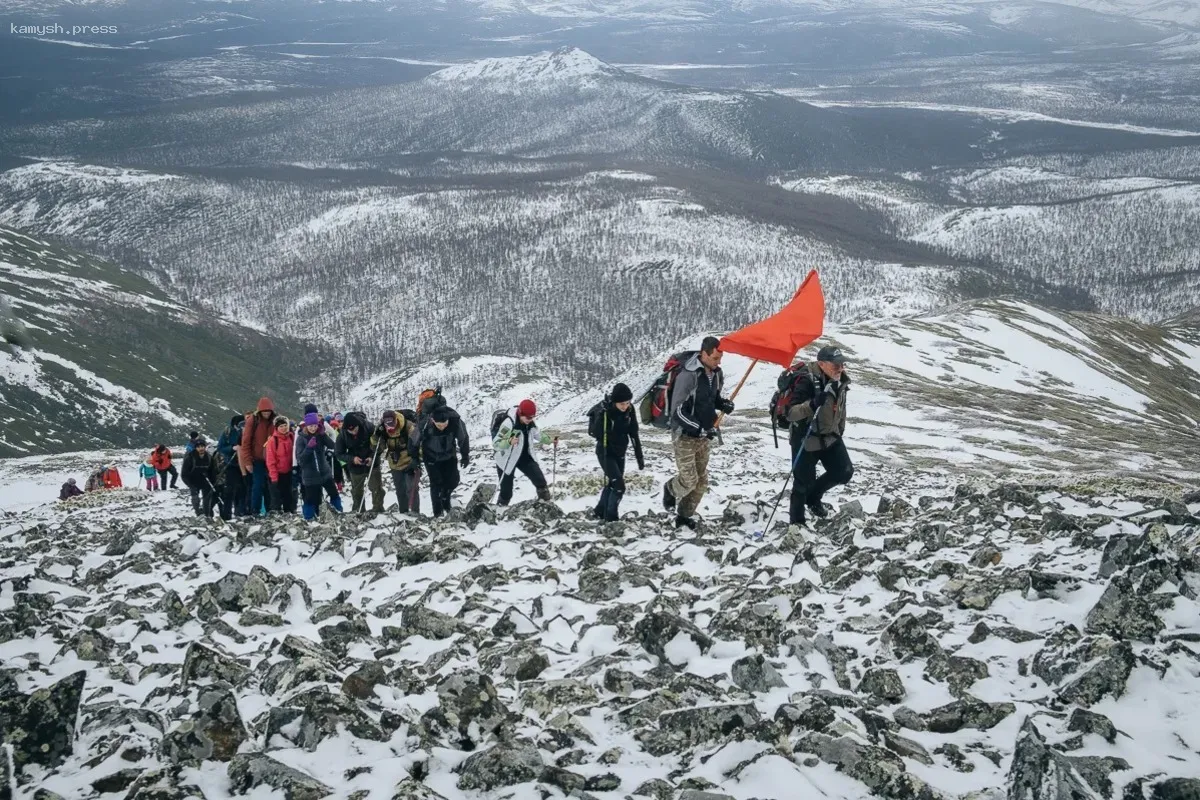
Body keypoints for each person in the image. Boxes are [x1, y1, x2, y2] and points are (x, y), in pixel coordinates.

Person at [662, 336, 734, 530]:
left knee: (701, 482)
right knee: (689, 479)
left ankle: (684, 516)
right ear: (704, 353)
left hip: (705, 435)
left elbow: (711, 399)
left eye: (720, 358)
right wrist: (698, 428)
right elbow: (677, 410)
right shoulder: (688, 375)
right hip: (685, 435)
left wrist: (723, 404)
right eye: (715, 358)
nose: (718, 362)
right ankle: (670, 488)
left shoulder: (716, 374)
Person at [786, 345, 853, 527]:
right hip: (805, 438)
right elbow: (790, 413)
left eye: (842, 364)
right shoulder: (807, 381)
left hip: (830, 435)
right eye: (836, 364)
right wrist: (812, 404)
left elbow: (841, 407)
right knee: (802, 483)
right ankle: (797, 523)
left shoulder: (840, 380)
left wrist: (839, 430)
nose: (840, 368)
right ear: (821, 364)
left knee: (844, 471)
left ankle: (813, 498)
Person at [591, 383, 645, 521]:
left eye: (627, 402)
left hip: (620, 452)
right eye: (622, 403)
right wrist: (601, 416)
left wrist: (640, 458)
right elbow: (595, 433)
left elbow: (634, 433)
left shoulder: (630, 410)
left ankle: (599, 511)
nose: (625, 406)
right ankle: (611, 518)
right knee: (619, 486)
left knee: (613, 483)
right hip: (605, 452)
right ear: (615, 402)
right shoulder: (606, 412)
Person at [492, 399, 552, 506]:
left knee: (541, 481)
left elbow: (538, 435)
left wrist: (550, 440)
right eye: (528, 417)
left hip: (524, 457)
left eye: (533, 417)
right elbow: (496, 443)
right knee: (506, 493)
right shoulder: (508, 423)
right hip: (506, 459)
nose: (531, 419)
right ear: (521, 413)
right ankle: (500, 511)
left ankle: (546, 506)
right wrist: (509, 441)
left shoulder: (530, 424)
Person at [419, 404, 470, 517]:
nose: (442, 427)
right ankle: (438, 513)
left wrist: (465, 455)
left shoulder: (455, 422)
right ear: (433, 420)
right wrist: (414, 459)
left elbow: (463, 438)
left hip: (449, 456)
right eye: (439, 425)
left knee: (453, 481)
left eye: (445, 424)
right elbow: (414, 441)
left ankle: (445, 499)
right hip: (431, 457)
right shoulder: (425, 424)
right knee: (436, 484)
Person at [295, 412, 344, 520]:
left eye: (315, 425)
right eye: (310, 426)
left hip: (325, 472)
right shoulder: (301, 439)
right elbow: (301, 460)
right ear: (306, 426)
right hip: (310, 476)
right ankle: (308, 518)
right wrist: (309, 448)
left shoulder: (320, 435)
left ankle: (339, 513)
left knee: (334, 493)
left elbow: (332, 445)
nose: (313, 428)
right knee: (310, 499)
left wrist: (323, 435)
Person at [336, 411, 384, 513]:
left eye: (355, 429)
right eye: (351, 431)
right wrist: (352, 459)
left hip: (372, 464)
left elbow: (379, 444)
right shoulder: (343, 434)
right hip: (355, 466)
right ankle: (359, 510)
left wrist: (372, 457)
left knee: (376, 489)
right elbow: (339, 453)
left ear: (358, 425)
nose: (353, 432)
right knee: (357, 491)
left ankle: (378, 510)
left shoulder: (369, 427)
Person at [239, 397, 277, 516]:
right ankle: (255, 510)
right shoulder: (252, 420)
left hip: (272, 459)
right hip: (258, 459)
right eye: (264, 411)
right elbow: (246, 442)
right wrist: (248, 461)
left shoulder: (275, 420)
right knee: (258, 485)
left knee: (270, 486)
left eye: (268, 411)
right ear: (260, 411)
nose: (266, 413)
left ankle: (271, 509)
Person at [216, 415, 247, 519]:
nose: (242, 426)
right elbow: (220, 447)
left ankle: (241, 511)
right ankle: (227, 514)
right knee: (230, 490)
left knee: (244, 489)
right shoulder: (228, 432)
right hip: (231, 464)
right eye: (240, 424)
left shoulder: (247, 430)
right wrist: (232, 448)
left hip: (245, 464)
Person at [265, 416, 297, 514]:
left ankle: (290, 515)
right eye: (281, 426)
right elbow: (270, 461)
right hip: (277, 474)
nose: (284, 428)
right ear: (276, 428)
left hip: (289, 472)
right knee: (276, 499)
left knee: (289, 497)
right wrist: (274, 478)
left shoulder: (291, 437)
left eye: (285, 425)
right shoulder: (272, 441)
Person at [181, 437, 219, 517]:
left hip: (206, 481)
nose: (201, 448)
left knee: (207, 498)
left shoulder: (209, 458)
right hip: (193, 481)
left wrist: (213, 481)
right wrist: (190, 485)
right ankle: (197, 512)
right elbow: (184, 474)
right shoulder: (190, 458)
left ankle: (207, 513)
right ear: (195, 448)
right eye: (198, 447)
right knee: (195, 498)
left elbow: (212, 471)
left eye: (202, 446)